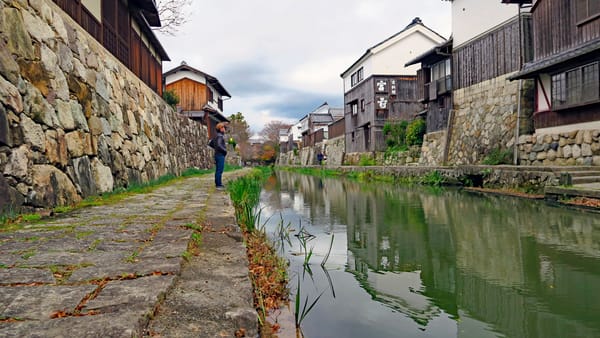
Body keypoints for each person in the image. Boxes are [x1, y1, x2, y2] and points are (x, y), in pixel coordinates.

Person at [213, 122, 228, 190]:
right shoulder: (220, 136)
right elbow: (219, 145)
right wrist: (225, 150)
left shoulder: (216, 135)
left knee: (218, 170)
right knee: (220, 170)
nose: (224, 129)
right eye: (223, 127)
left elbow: (211, 144)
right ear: (220, 128)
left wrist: (216, 148)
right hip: (220, 155)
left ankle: (218, 183)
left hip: (217, 154)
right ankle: (218, 185)